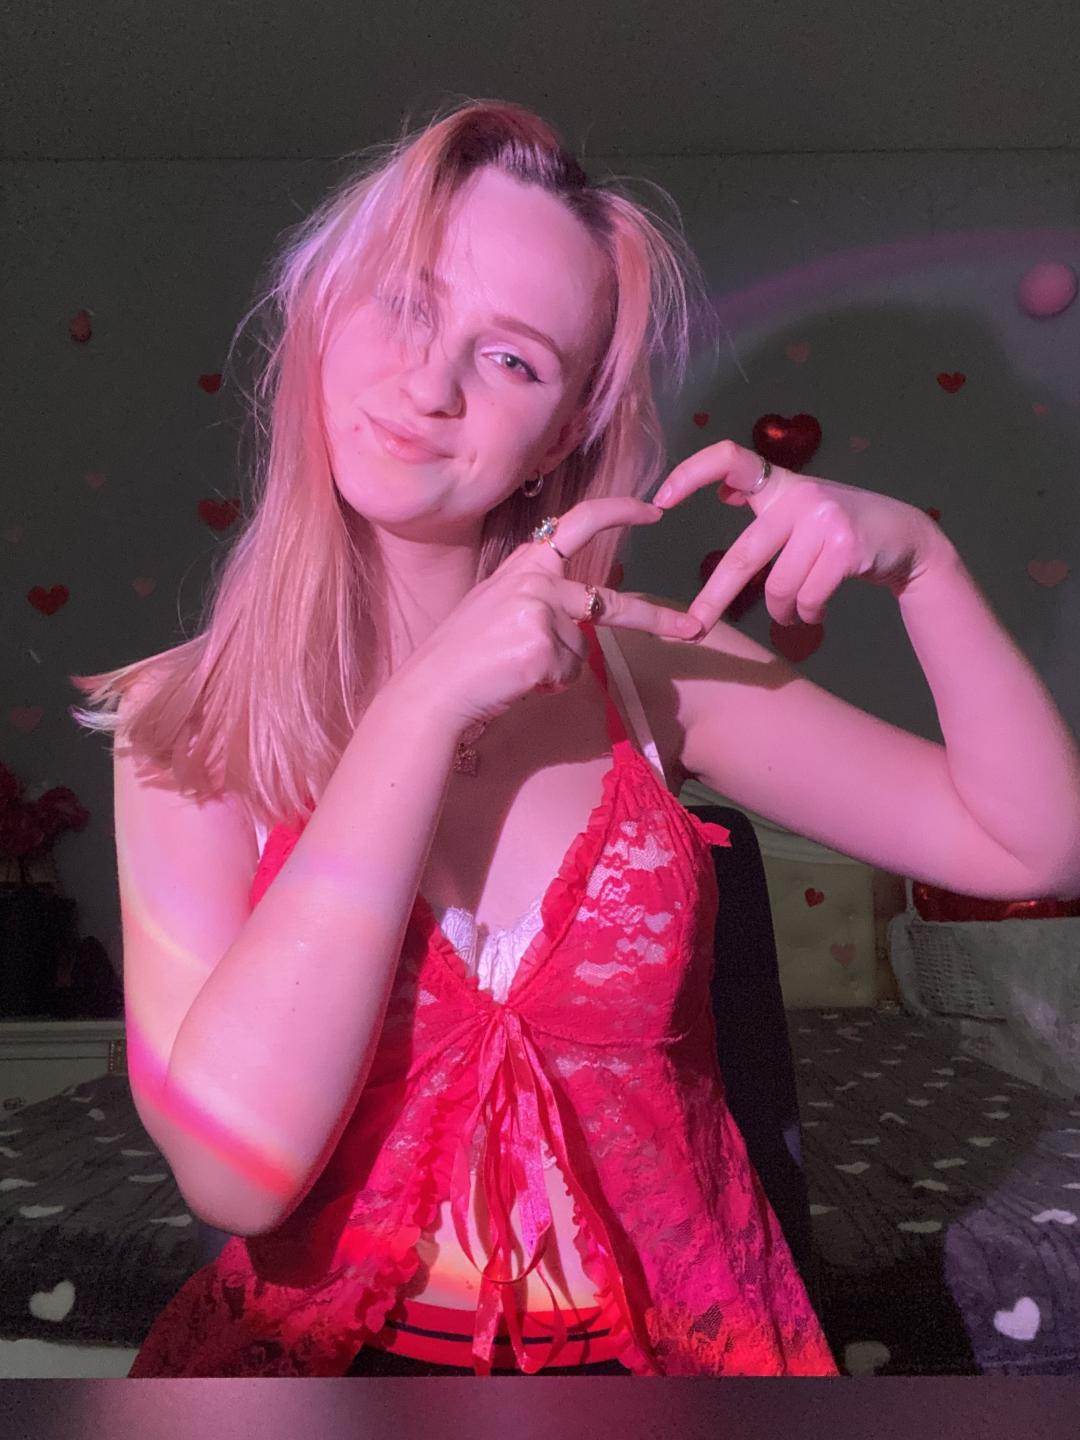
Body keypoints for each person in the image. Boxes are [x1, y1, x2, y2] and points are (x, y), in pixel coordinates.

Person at [70, 99, 1080, 1378]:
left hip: (681, 1374)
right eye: (406, 301)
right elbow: (237, 1173)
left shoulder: (646, 673)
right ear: (323, 312)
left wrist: (924, 564)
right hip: (320, 1380)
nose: (428, 384)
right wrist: (422, 706)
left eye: (513, 360)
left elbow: (1032, 846)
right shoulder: (186, 718)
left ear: (560, 435)